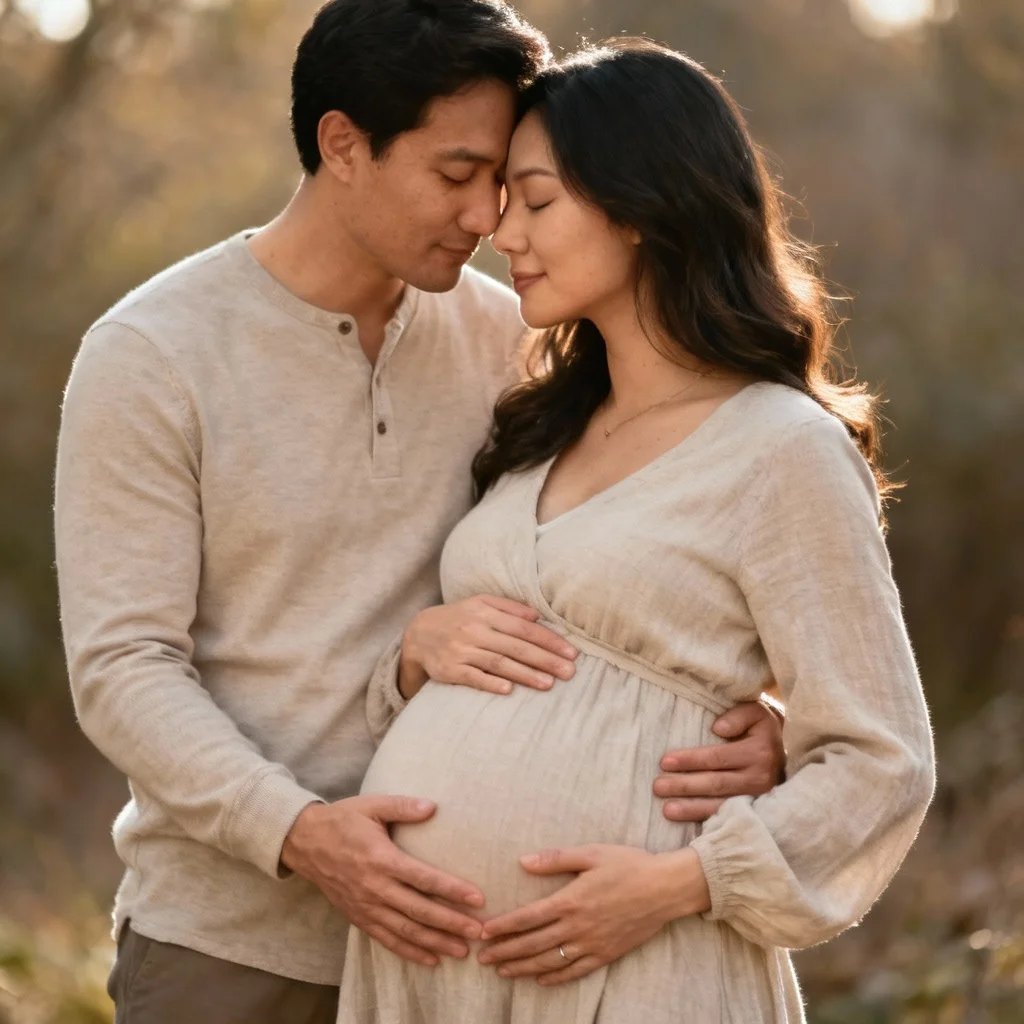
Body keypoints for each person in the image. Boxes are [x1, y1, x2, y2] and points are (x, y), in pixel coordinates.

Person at [53, 4, 784, 1023]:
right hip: (235, 947)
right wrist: (302, 830)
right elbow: (123, 669)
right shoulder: (152, 355)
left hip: (463, 967)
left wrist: (754, 723)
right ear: (342, 145)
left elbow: (638, 560)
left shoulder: (513, 339)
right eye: (455, 174)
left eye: (499, 181)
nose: (488, 217)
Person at [337, 38, 936, 1023]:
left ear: (641, 205)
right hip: (437, 975)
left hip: (639, 966)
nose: (499, 230)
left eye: (534, 200)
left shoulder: (778, 446)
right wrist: (415, 649)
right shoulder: (537, 429)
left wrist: (676, 883)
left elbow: (881, 755)